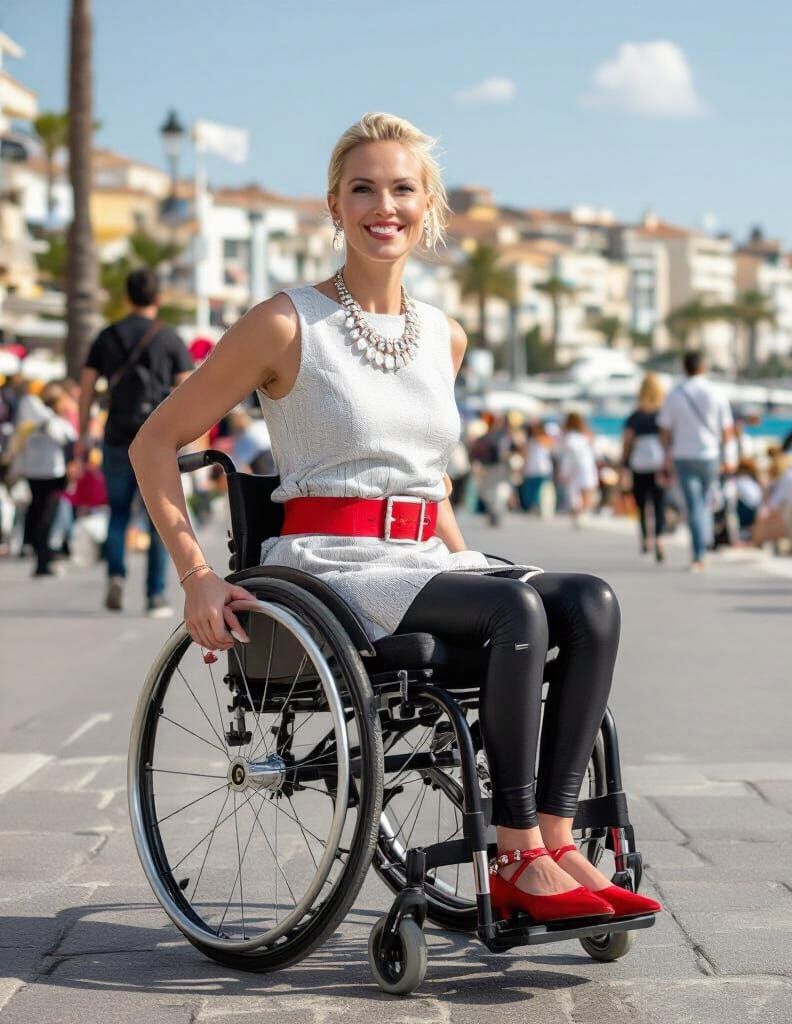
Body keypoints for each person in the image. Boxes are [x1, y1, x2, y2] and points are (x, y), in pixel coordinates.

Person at [127, 112, 658, 923]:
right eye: (363, 189)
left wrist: (465, 558)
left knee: (589, 604)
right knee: (516, 610)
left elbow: (428, 480)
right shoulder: (286, 321)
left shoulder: (445, 335)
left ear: (428, 205)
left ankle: (555, 841)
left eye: (402, 189)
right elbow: (155, 441)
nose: (385, 205)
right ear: (335, 206)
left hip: (419, 559)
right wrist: (198, 576)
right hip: (329, 568)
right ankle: (515, 854)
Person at [76, 268, 193, 616]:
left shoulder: (107, 336)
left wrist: (84, 431)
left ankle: (115, 575)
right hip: (156, 441)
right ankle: (155, 595)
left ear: (127, 297)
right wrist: (185, 438)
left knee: (118, 514)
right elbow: (188, 391)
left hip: (116, 438)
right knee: (159, 519)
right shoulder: (169, 338)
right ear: (158, 298)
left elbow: (86, 388)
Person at [658, 349, 736, 570]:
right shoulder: (716, 392)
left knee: (694, 505)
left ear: (685, 367)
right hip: (710, 455)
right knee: (705, 501)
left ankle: (699, 553)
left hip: (683, 456)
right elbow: (727, 430)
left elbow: (665, 430)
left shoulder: (675, 395)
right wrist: (729, 456)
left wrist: (666, 456)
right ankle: (704, 546)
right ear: (703, 367)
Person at [15, 382, 78, 577]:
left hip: (34, 470)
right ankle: (43, 558)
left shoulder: (34, 415)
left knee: (39, 512)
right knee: (46, 516)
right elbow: (67, 437)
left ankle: (41, 556)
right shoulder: (49, 419)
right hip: (50, 472)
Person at [622, 372, 668, 562]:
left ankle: (645, 538)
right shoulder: (663, 415)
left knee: (642, 504)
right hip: (658, 463)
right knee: (659, 503)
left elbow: (627, 441)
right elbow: (668, 439)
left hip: (639, 463)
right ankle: (658, 538)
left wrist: (624, 462)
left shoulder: (634, 416)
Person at [558, 411, 599, 528]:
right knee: (587, 491)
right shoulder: (583, 435)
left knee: (577, 493)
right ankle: (581, 514)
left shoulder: (570, 437)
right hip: (585, 466)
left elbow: (567, 456)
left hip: (577, 467)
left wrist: (564, 471)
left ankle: (579, 514)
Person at [519, 420, 553, 515]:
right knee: (531, 491)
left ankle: (538, 507)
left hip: (540, 469)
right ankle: (534, 507)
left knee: (538, 491)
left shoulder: (542, 439)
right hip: (533, 469)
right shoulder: (530, 441)